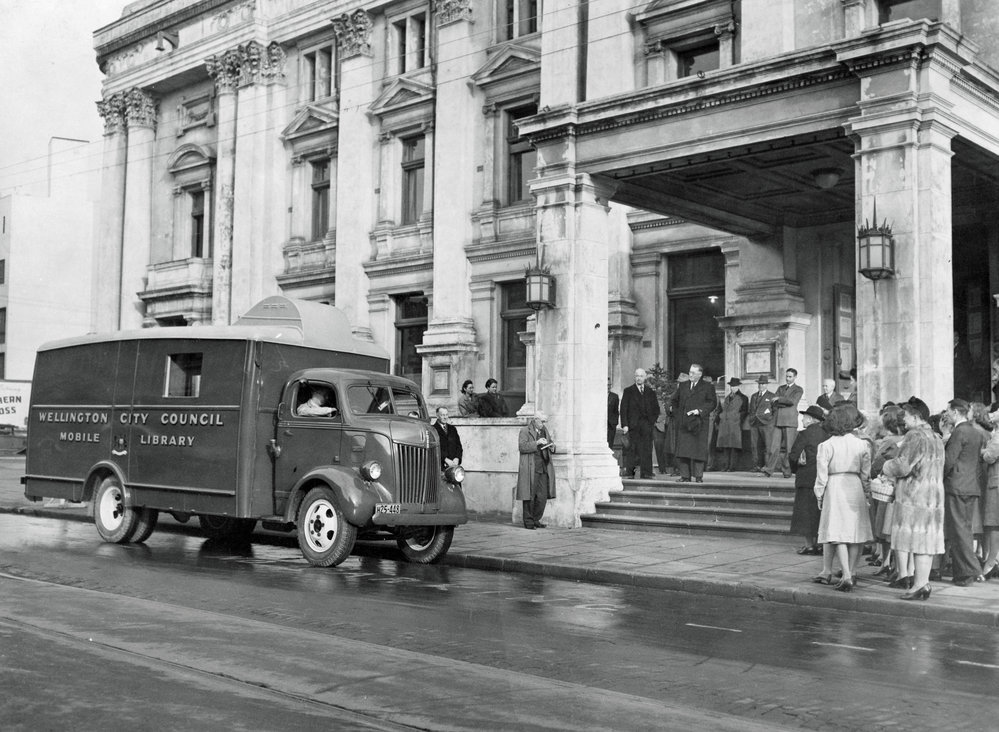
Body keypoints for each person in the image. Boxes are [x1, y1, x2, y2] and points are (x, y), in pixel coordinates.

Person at [882, 401, 946, 600]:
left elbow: (903, 466)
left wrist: (885, 466)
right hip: (932, 496)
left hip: (914, 496)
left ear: (916, 417)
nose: (904, 419)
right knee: (924, 542)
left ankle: (919, 584)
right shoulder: (935, 436)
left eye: (907, 416)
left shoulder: (914, 436)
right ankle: (922, 583)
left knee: (915, 541)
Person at [812, 402, 873, 592]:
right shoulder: (862, 444)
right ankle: (852, 571)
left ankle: (845, 574)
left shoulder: (826, 445)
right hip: (854, 485)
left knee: (837, 531)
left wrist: (819, 494)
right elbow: (866, 474)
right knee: (854, 533)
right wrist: (867, 492)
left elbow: (821, 475)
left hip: (835, 485)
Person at [942, 398, 986, 586]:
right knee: (965, 529)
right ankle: (965, 571)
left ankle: (968, 571)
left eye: (948, 411)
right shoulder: (975, 432)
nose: (946, 414)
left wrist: (940, 478)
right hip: (970, 486)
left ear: (956, 412)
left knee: (958, 530)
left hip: (956, 486)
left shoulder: (959, 432)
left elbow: (948, 461)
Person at [870, 405, 906, 579]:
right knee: (890, 529)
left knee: (884, 528)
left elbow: (876, 464)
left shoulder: (888, 441)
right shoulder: (906, 438)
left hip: (887, 488)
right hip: (897, 487)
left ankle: (887, 563)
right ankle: (891, 564)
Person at [788, 405, 829, 555]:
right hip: (823, 477)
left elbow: (793, 455)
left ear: (811, 419)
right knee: (819, 512)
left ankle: (809, 544)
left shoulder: (804, 434)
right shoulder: (828, 433)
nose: (802, 419)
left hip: (806, 477)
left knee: (805, 513)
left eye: (804, 417)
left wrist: (795, 466)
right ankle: (822, 543)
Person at [670, 363, 717, 483]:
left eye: (693, 373)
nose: (690, 374)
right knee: (683, 451)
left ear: (700, 375)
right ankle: (685, 476)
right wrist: (678, 415)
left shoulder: (707, 387)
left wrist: (699, 411)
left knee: (698, 451)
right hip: (684, 423)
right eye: (690, 372)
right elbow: (674, 401)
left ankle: (698, 476)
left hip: (699, 423)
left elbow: (712, 403)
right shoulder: (683, 385)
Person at [516, 411, 556, 530]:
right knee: (529, 496)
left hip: (543, 467)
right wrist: (537, 442)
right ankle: (528, 522)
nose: (543, 424)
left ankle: (536, 519)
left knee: (542, 496)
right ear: (535, 420)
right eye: (542, 421)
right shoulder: (525, 430)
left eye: (545, 422)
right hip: (531, 467)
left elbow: (549, 442)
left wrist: (552, 447)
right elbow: (522, 447)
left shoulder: (544, 430)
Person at [621, 368, 660, 479]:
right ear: (635, 377)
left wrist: (651, 422)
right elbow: (623, 409)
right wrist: (625, 425)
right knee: (632, 450)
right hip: (633, 426)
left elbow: (656, 409)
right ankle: (630, 473)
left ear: (645, 377)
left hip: (646, 426)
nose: (639, 378)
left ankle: (646, 473)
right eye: (637, 376)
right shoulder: (628, 391)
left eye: (641, 376)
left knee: (647, 449)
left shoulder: (650, 392)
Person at [765, 368, 804, 478]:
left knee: (789, 448)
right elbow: (774, 401)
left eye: (790, 377)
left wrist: (779, 399)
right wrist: (782, 401)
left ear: (795, 377)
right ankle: (769, 469)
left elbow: (792, 401)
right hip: (778, 420)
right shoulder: (780, 388)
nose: (787, 379)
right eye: (787, 376)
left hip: (790, 421)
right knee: (774, 447)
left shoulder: (798, 389)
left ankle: (787, 471)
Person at [979, 406, 999, 579]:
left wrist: (983, 451)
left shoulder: (998, 436)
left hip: (996, 482)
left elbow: (990, 456)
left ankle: (991, 561)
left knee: (994, 524)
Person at [715, 377, 748, 471]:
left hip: (735, 424)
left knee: (734, 446)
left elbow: (744, 411)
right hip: (725, 424)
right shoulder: (727, 398)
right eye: (732, 386)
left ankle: (732, 466)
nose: (733, 388)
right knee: (725, 445)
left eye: (735, 386)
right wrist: (721, 416)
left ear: (738, 386)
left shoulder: (743, 398)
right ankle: (725, 466)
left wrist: (736, 418)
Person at [745, 376, 777, 472]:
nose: (761, 386)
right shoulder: (754, 396)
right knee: (754, 445)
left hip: (766, 424)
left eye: (763, 384)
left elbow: (775, 411)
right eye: (759, 384)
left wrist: (770, 420)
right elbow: (751, 410)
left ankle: (767, 466)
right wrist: (751, 419)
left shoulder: (771, 396)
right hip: (754, 423)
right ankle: (756, 465)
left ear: (766, 385)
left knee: (767, 445)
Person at [432, 407, 463, 471]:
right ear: (437, 416)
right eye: (443, 415)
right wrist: (445, 459)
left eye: (446, 415)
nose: (445, 417)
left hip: (454, 467)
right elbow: (434, 449)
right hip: (439, 467)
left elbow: (459, 446)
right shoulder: (433, 430)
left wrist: (457, 458)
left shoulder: (452, 429)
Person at [607, 380, 619, 450]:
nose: (607, 387)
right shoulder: (599, 395)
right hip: (601, 425)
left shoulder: (614, 396)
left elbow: (616, 411)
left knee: (610, 445)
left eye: (609, 385)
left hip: (611, 425)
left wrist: (615, 423)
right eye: (606, 385)